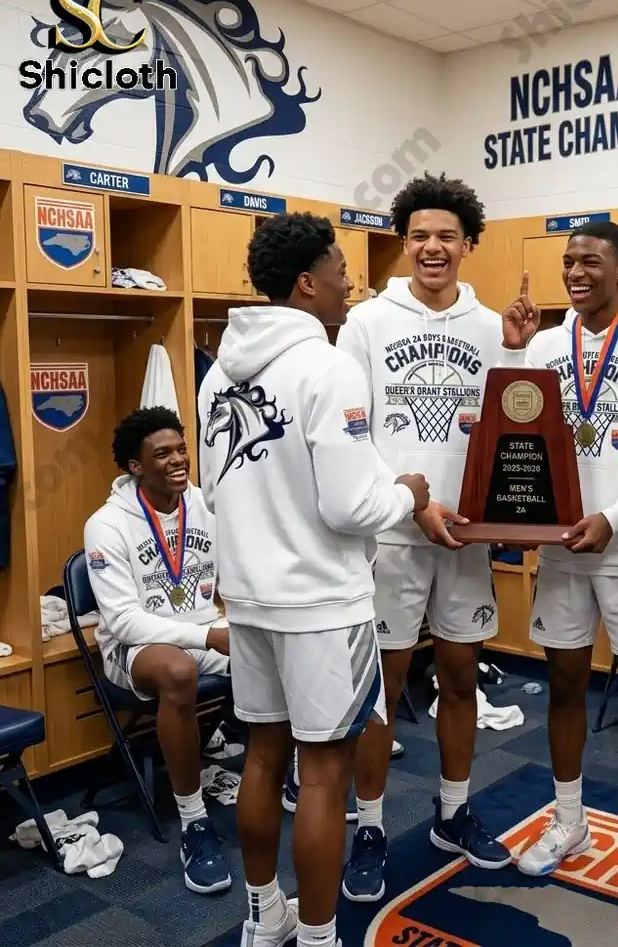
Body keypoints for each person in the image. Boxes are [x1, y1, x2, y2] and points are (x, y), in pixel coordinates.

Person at [197, 211, 431, 947]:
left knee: (264, 755)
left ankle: (265, 918)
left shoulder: (216, 376)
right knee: (325, 773)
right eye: (338, 271)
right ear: (306, 283)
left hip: (252, 600)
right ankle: (324, 936)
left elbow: (213, 494)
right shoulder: (328, 367)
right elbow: (351, 504)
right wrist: (409, 494)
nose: (348, 284)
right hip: (324, 606)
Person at [335, 171, 538, 902]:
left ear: (468, 244)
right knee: (381, 691)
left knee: (459, 677)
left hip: (468, 535)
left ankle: (453, 812)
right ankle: (368, 824)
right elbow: (351, 436)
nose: (432, 247)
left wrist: (517, 351)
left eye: (446, 236)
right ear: (404, 241)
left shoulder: (492, 327)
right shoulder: (365, 324)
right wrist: (412, 504)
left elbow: (515, 423)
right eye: (419, 235)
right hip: (393, 535)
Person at [503, 220, 618, 903]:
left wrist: (617, 519)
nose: (576, 273)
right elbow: (520, 437)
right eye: (568, 262)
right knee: (563, 685)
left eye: (591, 261)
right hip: (562, 550)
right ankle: (569, 819)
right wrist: (521, 515)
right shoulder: (547, 345)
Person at [83, 406, 232, 895]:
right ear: (135, 466)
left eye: (181, 449)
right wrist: (208, 636)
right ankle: (194, 823)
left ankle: (295, 779)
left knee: (283, 651)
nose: (177, 460)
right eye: (161, 453)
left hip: (204, 628)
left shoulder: (207, 504)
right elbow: (123, 620)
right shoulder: (106, 524)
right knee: (179, 672)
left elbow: (231, 571)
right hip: (137, 647)